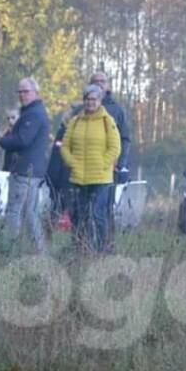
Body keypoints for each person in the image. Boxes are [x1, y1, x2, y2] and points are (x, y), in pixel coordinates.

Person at [61, 84, 121, 253]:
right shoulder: (75, 122)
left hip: (101, 179)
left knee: (98, 213)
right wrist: (72, 163)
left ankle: (103, 248)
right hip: (78, 178)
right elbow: (65, 147)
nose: (90, 103)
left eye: (94, 99)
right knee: (79, 215)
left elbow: (115, 147)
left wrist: (102, 164)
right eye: (87, 99)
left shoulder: (107, 121)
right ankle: (81, 247)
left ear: (100, 101)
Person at [0, 78, 51, 251]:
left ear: (36, 92)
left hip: (25, 171)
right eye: (19, 92)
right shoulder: (32, 112)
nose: (22, 95)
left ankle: (8, 249)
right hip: (31, 170)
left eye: (26, 91)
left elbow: (23, 140)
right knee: (29, 213)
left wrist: (3, 140)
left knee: (14, 211)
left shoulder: (34, 114)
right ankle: (39, 251)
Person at [89, 71, 131, 184]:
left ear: (107, 85)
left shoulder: (117, 110)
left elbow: (125, 139)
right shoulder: (81, 110)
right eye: (95, 82)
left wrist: (120, 163)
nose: (99, 84)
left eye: (102, 81)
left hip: (110, 169)